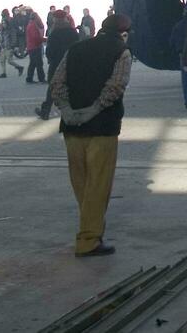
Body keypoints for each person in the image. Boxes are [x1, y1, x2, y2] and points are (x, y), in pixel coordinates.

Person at [50, 14, 133, 258]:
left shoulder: (76, 49)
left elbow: (57, 83)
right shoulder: (122, 51)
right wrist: (93, 110)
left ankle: (90, 226)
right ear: (124, 32)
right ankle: (88, 239)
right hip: (102, 128)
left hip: (71, 129)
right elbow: (116, 86)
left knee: (82, 183)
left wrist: (67, 111)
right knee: (98, 184)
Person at [37, 13, 81, 120]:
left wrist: (51, 59)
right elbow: (78, 47)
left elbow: (49, 51)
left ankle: (45, 111)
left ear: (55, 20)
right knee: (72, 87)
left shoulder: (54, 32)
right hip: (71, 63)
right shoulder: (72, 31)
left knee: (52, 87)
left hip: (56, 64)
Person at [0, 8, 25, 77]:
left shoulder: (11, 28)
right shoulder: (3, 28)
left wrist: (13, 45)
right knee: (2, 60)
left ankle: (19, 67)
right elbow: (0, 35)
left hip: (9, 46)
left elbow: (13, 36)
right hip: (4, 45)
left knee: (9, 60)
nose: (3, 24)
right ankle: (4, 73)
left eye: (4, 23)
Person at [25, 10, 47, 84]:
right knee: (39, 63)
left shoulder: (30, 24)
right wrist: (44, 39)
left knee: (33, 63)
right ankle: (41, 78)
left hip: (31, 46)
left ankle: (29, 78)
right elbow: (36, 37)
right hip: (35, 46)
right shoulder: (33, 25)